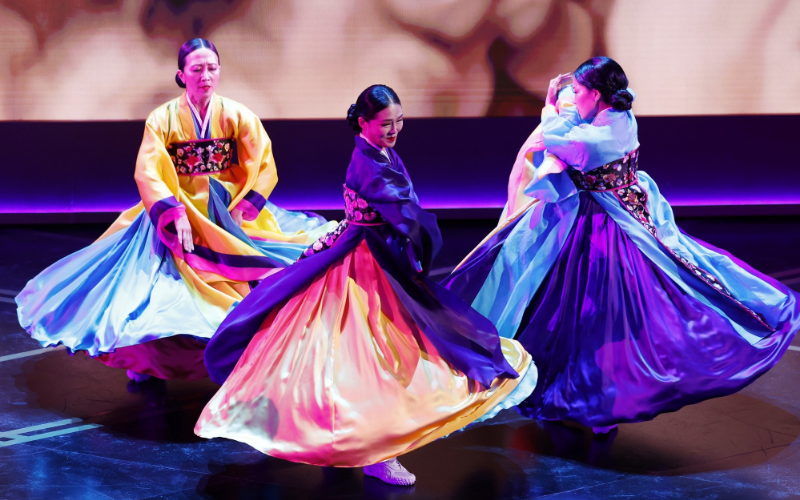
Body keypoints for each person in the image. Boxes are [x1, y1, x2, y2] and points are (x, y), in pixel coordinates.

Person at [194, 85, 538, 486]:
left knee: (361, 354)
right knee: (372, 355)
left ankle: (357, 443)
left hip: (371, 251)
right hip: (365, 261)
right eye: (386, 124)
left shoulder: (378, 151)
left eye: (399, 121)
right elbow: (409, 217)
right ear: (363, 123)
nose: (395, 130)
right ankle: (375, 452)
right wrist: (425, 244)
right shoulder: (370, 164)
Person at [443, 57, 800, 434]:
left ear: (597, 95)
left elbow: (553, 136)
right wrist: (563, 100)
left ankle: (593, 395)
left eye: (578, 91)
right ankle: (576, 389)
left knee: (597, 311)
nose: (572, 96)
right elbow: (571, 120)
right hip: (619, 206)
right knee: (576, 309)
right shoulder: (618, 116)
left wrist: (550, 104)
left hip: (602, 224)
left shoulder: (595, 138)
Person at [16, 38, 334, 382]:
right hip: (176, 209)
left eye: (212, 68)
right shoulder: (162, 118)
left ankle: (237, 356)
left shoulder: (237, 115)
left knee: (262, 273)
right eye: (197, 69)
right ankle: (146, 362)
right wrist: (172, 213)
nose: (206, 76)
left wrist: (245, 207)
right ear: (181, 75)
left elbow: (263, 163)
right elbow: (149, 171)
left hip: (224, 211)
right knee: (154, 292)